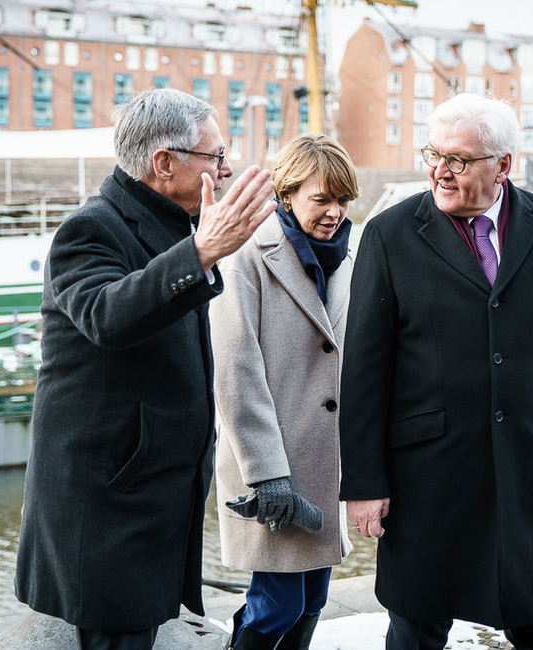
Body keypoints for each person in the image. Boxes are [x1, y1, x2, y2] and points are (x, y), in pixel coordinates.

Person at [339, 93, 533, 650]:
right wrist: (364, 484)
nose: (440, 170)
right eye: (433, 153)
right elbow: (364, 371)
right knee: (416, 626)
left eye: (458, 159)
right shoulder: (388, 235)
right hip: (428, 478)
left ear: (503, 165)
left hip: (527, 469)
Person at [14, 88, 277, 650]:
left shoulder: (172, 224)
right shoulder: (90, 228)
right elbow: (106, 315)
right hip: (109, 501)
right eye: (215, 157)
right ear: (165, 163)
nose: (227, 169)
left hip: (149, 493)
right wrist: (202, 252)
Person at [208, 133, 360, 650]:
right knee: (278, 604)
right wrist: (266, 473)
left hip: (323, 462)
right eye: (322, 199)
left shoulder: (344, 255)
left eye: (343, 200)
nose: (335, 212)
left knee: (311, 601)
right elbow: (235, 368)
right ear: (287, 192)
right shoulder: (246, 253)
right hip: (272, 464)